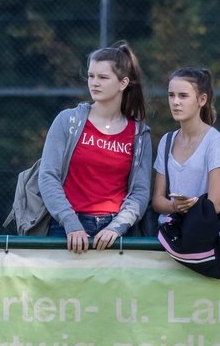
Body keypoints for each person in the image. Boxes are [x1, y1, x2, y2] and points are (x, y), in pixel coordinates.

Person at [38, 42, 153, 253]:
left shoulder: (139, 134)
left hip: (116, 234)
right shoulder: (68, 120)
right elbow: (48, 177)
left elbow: (140, 192)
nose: (94, 83)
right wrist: (70, 223)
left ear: (123, 83)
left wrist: (117, 228)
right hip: (66, 229)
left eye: (103, 77)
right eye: (91, 76)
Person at [150, 68, 220, 223]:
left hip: (201, 238)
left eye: (183, 96)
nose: (175, 102)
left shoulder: (215, 141)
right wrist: (175, 206)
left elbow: (215, 205)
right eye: (171, 95)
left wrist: (189, 205)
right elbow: (157, 201)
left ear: (202, 100)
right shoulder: (166, 140)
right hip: (168, 237)